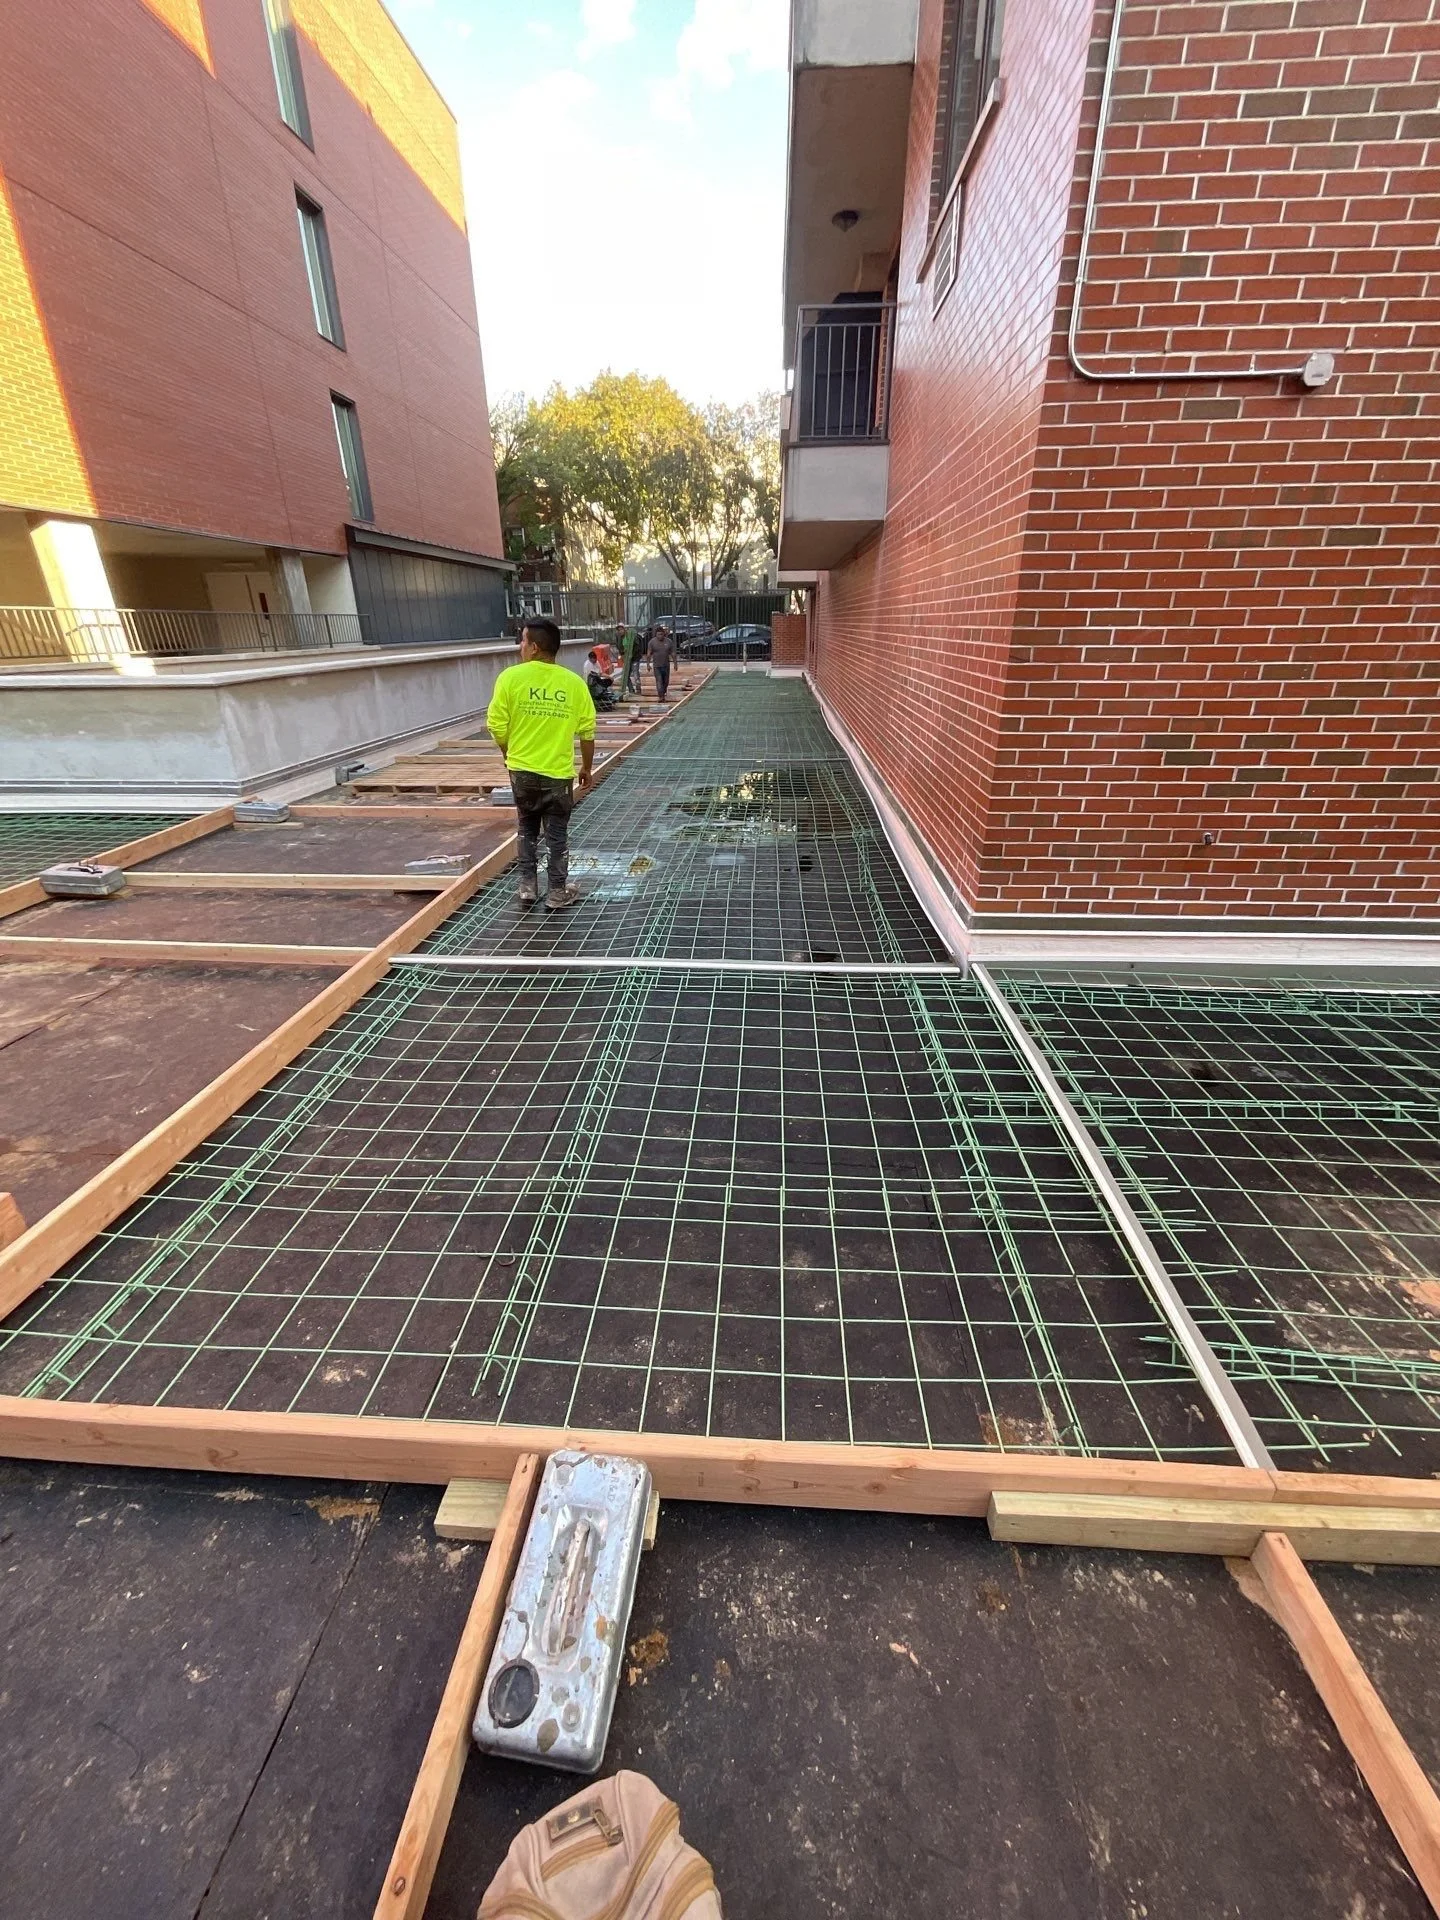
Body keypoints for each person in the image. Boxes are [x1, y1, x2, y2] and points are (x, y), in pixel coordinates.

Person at [487, 616, 595, 910]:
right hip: (558, 775)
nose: (520, 646)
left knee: (527, 828)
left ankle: (527, 887)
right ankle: (557, 892)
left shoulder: (510, 678)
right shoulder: (573, 683)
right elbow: (587, 731)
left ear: (534, 647)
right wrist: (586, 767)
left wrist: (508, 753)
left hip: (521, 771)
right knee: (556, 835)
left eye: (522, 641)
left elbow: (496, 725)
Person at [648, 624, 678, 703]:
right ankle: (661, 696)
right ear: (656, 634)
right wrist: (648, 664)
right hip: (656, 666)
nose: (660, 636)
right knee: (659, 681)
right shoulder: (652, 642)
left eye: (661, 634)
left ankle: (663, 692)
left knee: (666, 681)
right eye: (658, 634)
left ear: (664, 634)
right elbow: (648, 654)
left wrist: (675, 664)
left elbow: (673, 653)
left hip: (666, 665)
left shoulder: (668, 642)